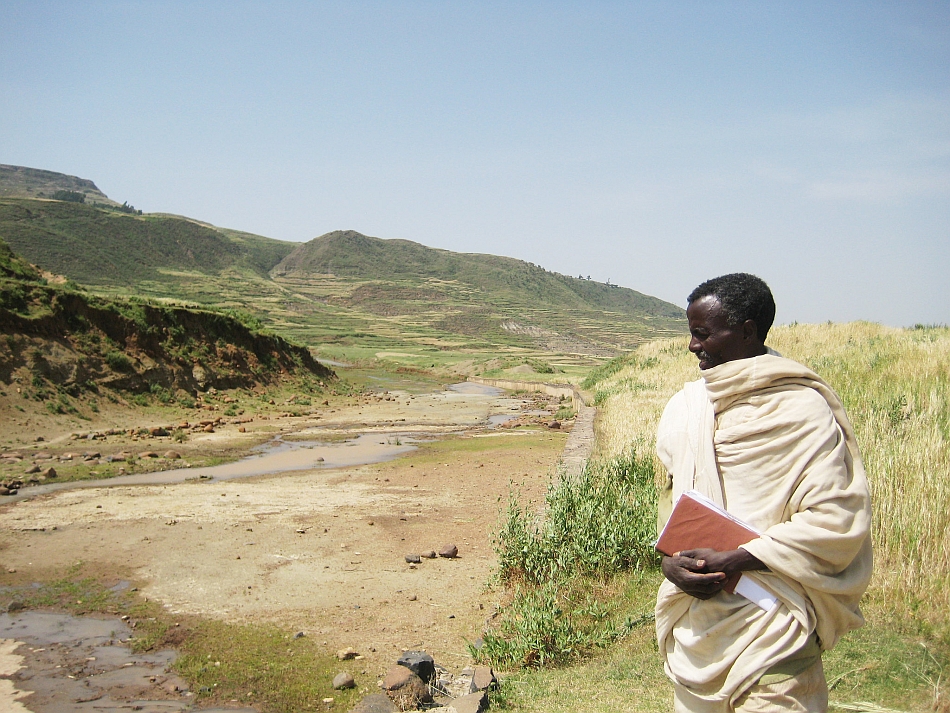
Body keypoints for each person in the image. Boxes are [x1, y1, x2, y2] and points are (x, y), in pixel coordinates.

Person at [654, 273, 872, 713]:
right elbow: (672, 509)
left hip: (774, 632)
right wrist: (669, 564)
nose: (693, 346)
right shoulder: (687, 407)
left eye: (703, 333)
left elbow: (835, 518)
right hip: (697, 635)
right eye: (691, 333)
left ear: (748, 330)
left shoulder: (801, 409)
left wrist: (737, 558)